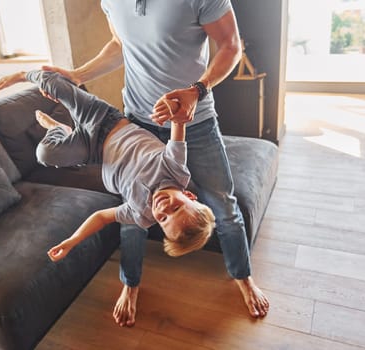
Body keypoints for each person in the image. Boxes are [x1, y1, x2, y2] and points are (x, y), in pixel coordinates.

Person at [42, 0, 270, 326]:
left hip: (196, 121)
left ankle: (242, 277)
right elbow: (120, 43)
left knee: (224, 206)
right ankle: (130, 284)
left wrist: (197, 90)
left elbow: (232, 45)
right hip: (137, 120)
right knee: (134, 215)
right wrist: (77, 75)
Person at [0, 69, 216, 260]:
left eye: (163, 219)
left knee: (45, 153)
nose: (163, 209)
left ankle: (59, 129)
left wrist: (72, 241)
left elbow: (101, 217)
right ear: (189, 196)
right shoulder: (176, 169)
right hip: (104, 120)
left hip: (93, 151)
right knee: (54, 85)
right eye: (176, 208)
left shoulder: (141, 214)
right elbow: (179, 125)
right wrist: (176, 109)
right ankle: (24, 75)